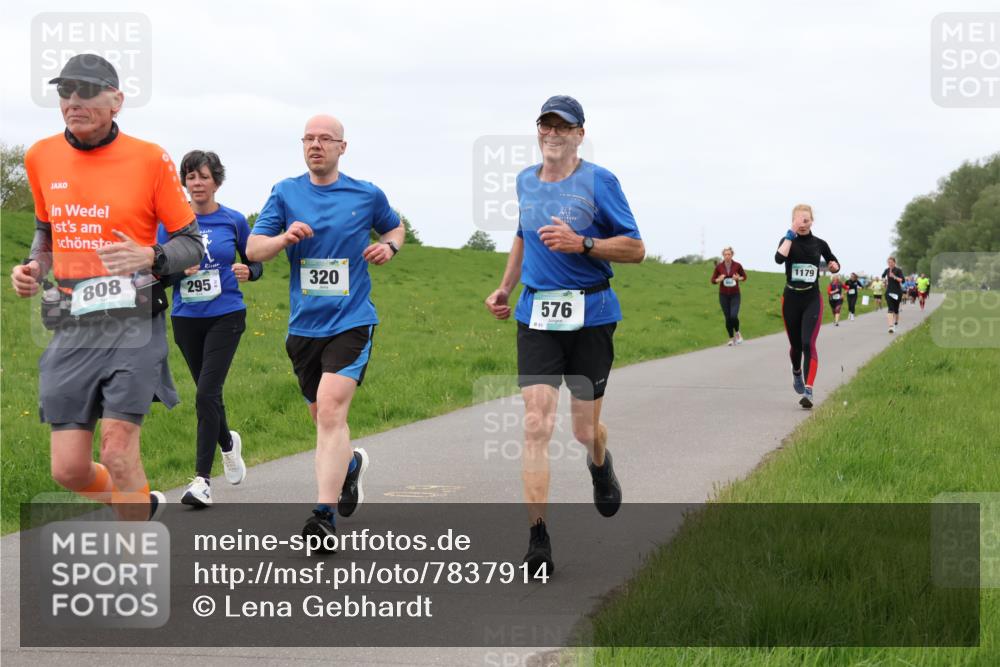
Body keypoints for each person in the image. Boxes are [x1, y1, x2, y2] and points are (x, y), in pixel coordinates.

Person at [9, 55, 203, 520]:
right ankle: (136, 503)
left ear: (116, 101)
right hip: (71, 322)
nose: (74, 101)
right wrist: (33, 268)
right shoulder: (40, 155)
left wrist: (150, 256)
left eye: (87, 91)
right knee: (69, 469)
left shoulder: (149, 158)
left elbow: (192, 245)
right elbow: (46, 232)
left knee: (117, 451)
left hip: (134, 323)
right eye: (66, 92)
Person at [484, 96, 645, 576]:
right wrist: (505, 287)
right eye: (545, 125)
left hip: (591, 315)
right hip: (537, 315)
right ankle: (538, 539)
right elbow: (521, 235)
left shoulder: (601, 181)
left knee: (583, 430)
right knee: (536, 422)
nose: (552, 133)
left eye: (563, 127)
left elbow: (635, 248)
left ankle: (599, 462)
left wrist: (584, 244)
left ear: (579, 133)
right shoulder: (524, 182)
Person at [246, 114, 404, 543]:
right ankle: (349, 463)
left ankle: (323, 516)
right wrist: (283, 239)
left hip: (352, 321)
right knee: (322, 420)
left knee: (332, 411)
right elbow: (253, 248)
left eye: (325, 139)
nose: (315, 145)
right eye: (308, 139)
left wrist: (388, 246)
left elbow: (395, 225)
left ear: (341, 147)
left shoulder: (366, 194)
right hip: (304, 327)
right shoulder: (285, 192)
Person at [157, 151, 262, 508]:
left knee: (205, 393)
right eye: (190, 177)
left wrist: (250, 272)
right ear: (183, 182)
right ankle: (229, 445)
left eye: (203, 176)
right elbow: (157, 271)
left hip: (226, 315)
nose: (197, 183)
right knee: (209, 393)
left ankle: (201, 480)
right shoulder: (170, 223)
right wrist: (176, 272)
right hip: (186, 318)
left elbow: (255, 261)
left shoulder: (233, 221)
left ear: (216, 181)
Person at [774, 204, 840, 409]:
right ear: (793, 221)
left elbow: (834, 261)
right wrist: (790, 234)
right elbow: (778, 259)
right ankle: (796, 372)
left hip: (812, 299)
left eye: (806, 220)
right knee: (795, 345)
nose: (803, 224)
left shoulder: (820, 243)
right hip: (791, 299)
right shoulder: (787, 241)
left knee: (807, 343)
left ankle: (809, 391)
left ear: (812, 221)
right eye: (798, 220)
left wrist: (834, 266)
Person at [710, 246, 747, 345]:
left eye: (729, 254)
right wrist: (719, 279)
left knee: (733, 316)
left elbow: (744, 277)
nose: (727, 256)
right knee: (727, 317)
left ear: (732, 255)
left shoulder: (737, 265)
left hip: (735, 294)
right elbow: (712, 280)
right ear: (723, 255)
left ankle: (738, 333)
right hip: (723, 295)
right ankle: (731, 338)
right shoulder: (719, 267)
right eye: (725, 254)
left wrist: (737, 278)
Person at [882, 257, 905, 333]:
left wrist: (894, 277)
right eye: (888, 262)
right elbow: (883, 276)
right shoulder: (887, 270)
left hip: (897, 292)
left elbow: (902, 280)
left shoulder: (898, 270)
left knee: (896, 310)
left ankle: (895, 324)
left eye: (891, 262)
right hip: (889, 292)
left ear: (894, 262)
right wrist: (884, 281)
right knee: (890, 309)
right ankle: (890, 326)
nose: (890, 264)